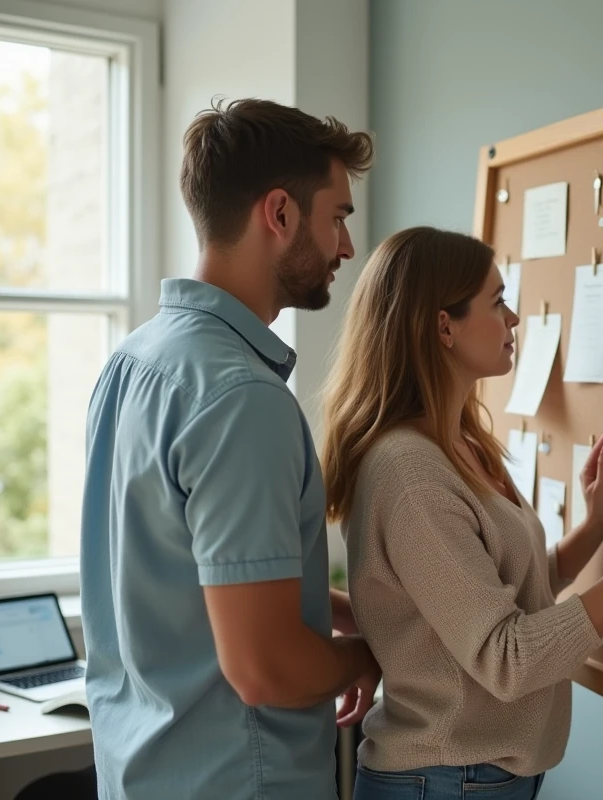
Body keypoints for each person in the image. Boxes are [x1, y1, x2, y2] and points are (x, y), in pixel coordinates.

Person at [322, 227, 603, 800]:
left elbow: (505, 590)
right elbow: (509, 656)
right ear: (443, 326)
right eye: (497, 301)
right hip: (442, 783)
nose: (514, 319)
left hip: (474, 781)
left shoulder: (460, 444)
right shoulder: (409, 473)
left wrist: (594, 528)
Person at [80, 99, 379, 799]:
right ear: (279, 213)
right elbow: (264, 665)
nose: (346, 247)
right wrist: (360, 658)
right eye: (338, 216)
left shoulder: (135, 362)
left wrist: (363, 611)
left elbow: (199, 579)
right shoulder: (241, 399)